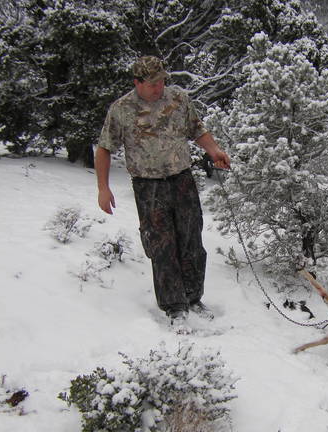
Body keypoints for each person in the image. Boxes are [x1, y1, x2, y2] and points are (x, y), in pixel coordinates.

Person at [94, 56, 230, 323]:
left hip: (182, 180)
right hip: (148, 186)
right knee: (162, 245)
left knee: (191, 240)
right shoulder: (121, 109)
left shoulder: (178, 98)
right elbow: (104, 148)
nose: (159, 87)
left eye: (162, 81)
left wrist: (214, 151)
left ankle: (193, 297)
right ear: (137, 82)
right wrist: (103, 188)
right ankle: (174, 306)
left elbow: (197, 129)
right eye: (152, 83)